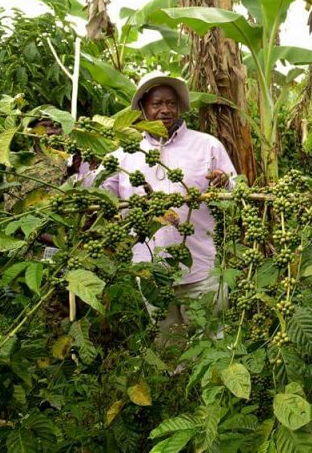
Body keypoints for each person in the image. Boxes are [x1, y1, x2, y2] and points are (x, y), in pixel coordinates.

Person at [97, 72, 237, 342]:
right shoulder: (124, 154)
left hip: (201, 267)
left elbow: (234, 188)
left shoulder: (206, 145)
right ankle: (174, 384)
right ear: (143, 109)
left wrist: (223, 182)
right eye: (157, 104)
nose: (165, 110)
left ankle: (209, 385)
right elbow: (99, 196)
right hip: (149, 269)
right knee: (167, 342)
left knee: (211, 341)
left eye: (171, 103)